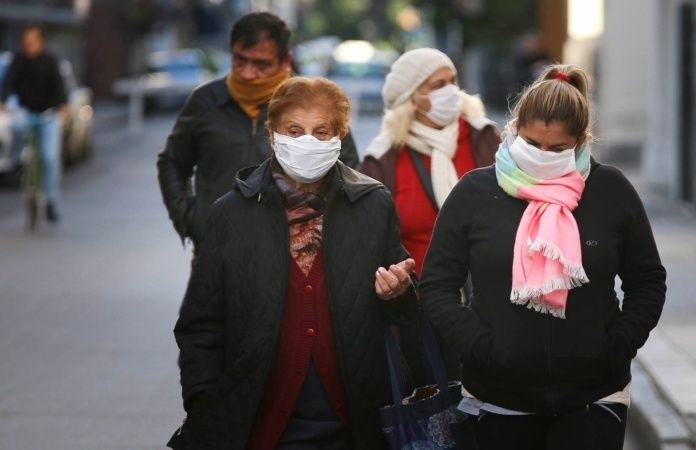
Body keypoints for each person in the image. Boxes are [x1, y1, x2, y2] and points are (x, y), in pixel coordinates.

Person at [420, 64, 667, 449]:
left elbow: (647, 280)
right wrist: (482, 347)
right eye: (533, 144)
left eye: (557, 149)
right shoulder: (474, 192)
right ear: (516, 127)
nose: (542, 156)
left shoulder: (610, 191)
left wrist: (615, 345)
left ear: (581, 141)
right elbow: (436, 285)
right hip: (498, 399)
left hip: (594, 395)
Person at [167, 76, 417, 450]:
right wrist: (206, 402)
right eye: (294, 130)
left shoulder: (372, 205)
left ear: (339, 136)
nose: (307, 142)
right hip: (257, 422)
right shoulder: (230, 214)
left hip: (354, 421)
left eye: (321, 131)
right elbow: (200, 324)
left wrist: (398, 292)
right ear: (272, 135)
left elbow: (406, 310)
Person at [157, 12, 359, 252]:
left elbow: (348, 171)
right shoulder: (206, 101)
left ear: (286, 61)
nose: (248, 73)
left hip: (291, 256)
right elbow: (172, 161)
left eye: (261, 64)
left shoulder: (313, 103)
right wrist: (191, 219)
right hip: (216, 250)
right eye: (240, 61)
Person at [358, 48, 500, 272]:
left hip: (484, 293)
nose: (451, 91)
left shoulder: (484, 137)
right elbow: (368, 241)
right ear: (411, 98)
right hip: (416, 297)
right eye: (438, 85)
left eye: (453, 81)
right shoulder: (382, 159)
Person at [0, 25, 69, 222]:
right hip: (25, 111)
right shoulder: (18, 61)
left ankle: (51, 202)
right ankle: (16, 161)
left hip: (47, 114)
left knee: (50, 158)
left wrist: (63, 105)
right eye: (25, 44)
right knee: (15, 126)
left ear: (40, 42)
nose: (28, 47)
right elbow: (8, 82)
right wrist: (4, 100)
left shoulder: (50, 61)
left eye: (32, 43)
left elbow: (59, 85)